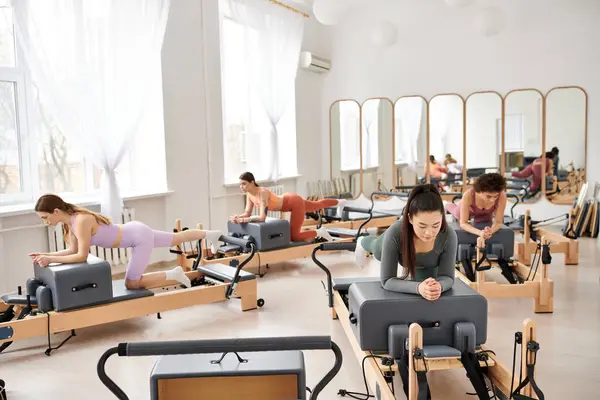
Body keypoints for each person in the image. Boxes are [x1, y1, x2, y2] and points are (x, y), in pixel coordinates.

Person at [31, 194, 224, 290]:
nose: (45, 221)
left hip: (138, 238)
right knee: (176, 238)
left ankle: (174, 273)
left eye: (44, 217)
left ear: (56, 212)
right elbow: (72, 250)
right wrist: (46, 256)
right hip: (135, 231)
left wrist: (49, 259)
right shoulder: (71, 222)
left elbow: (81, 256)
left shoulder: (80, 220)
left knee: (132, 283)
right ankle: (211, 234)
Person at [353, 184, 457, 301]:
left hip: (428, 265)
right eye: (422, 226)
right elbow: (387, 281)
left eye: (435, 225)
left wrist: (438, 286)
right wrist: (418, 288)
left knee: (428, 289)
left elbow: (447, 277)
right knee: (377, 249)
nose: (429, 232)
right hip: (391, 242)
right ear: (410, 219)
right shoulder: (395, 233)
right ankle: (362, 241)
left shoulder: (448, 235)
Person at [230, 172, 344, 242]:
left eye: (243, 183)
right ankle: (339, 202)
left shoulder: (262, 193)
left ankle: (319, 232)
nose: (241, 187)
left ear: (252, 182)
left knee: (294, 236)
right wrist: (238, 217)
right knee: (316, 205)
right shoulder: (250, 195)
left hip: (294, 203)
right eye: (240, 184)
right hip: (288, 200)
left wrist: (244, 220)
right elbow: (247, 213)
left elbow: (262, 218)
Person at [445, 173, 507, 240]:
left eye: (495, 196)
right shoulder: (468, 195)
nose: (492, 200)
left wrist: (490, 231)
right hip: (469, 209)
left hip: (485, 212)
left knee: (484, 222)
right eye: (488, 196)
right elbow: (463, 223)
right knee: (456, 213)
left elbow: (498, 222)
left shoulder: (502, 195)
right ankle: (446, 204)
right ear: (479, 192)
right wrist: (480, 233)